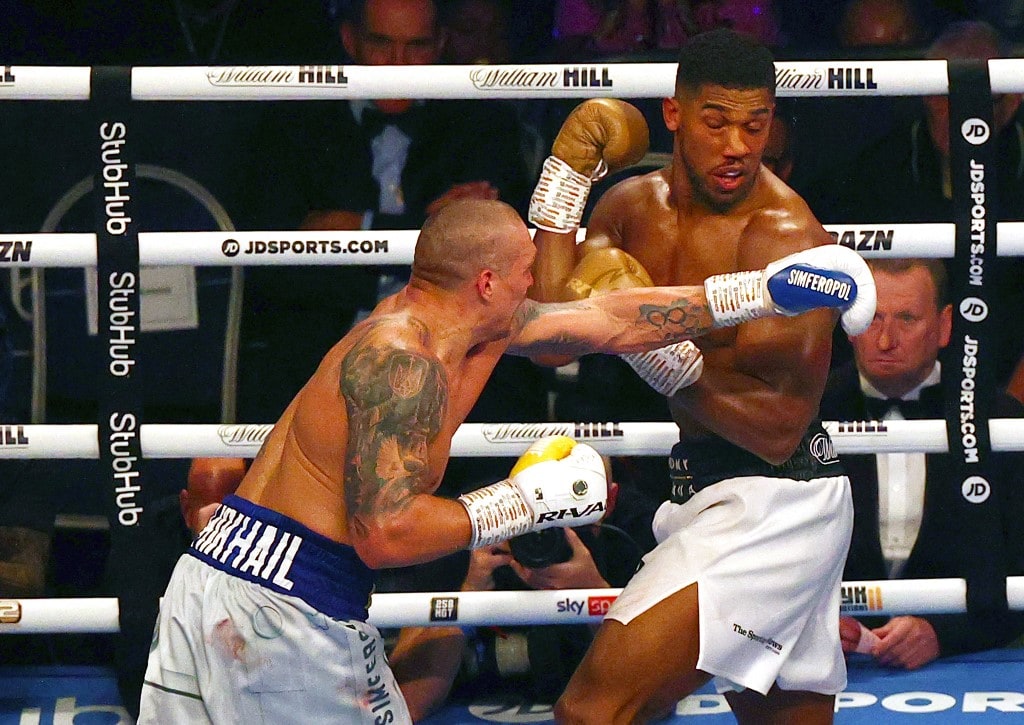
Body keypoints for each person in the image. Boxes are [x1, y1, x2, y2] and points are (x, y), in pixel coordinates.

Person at [138, 196, 872, 723]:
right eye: (525, 269)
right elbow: (386, 534)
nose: (535, 283)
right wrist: (527, 500)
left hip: (235, 577)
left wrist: (758, 292)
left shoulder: (469, 328)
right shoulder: (402, 360)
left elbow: (609, 318)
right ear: (486, 282)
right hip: (278, 604)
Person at [527, 29, 875, 724]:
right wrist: (564, 183)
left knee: (591, 710)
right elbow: (549, 339)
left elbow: (777, 429)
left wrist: (653, 350)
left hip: (780, 502)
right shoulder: (627, 207)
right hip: (709, 487)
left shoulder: (787, 236)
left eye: (756, 123)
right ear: (676, 114)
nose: (739, 145)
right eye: (717, 122)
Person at [238, 0, 540, 427]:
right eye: (382, 44)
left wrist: (356, 230)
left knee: (503, 375)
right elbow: (277, 269)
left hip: (453, 348)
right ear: (350, 39)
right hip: (321, 343)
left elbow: (496, 262)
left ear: (440, 44)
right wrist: (431, 229)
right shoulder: (294, 122)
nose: (398, 64)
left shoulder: (482, 123)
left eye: (416, 47)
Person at [818, 258, 1024, 670]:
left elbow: (1019, 566)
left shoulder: (999, 420)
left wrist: (942, 633)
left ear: (944, 326)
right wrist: (814, 624)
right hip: (828, 669)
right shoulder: (803, 414)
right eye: (872, 318)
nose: (885, 340)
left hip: (966, 667)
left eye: (907, 318)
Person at [807, 20, 1024, 385]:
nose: (961, 115)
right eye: (945, 96)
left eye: (979, 101)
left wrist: (1013, 410)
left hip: (1007, 385)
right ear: (924, 92)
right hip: (883, 384)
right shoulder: (873, 172)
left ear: (1013, 100)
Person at [115, 457, 248, 718]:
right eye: (214, 514)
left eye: (233, 513)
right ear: (187, 509)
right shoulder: (150, 539)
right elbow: (134, 659)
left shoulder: (275, 537)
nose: (223, 526)